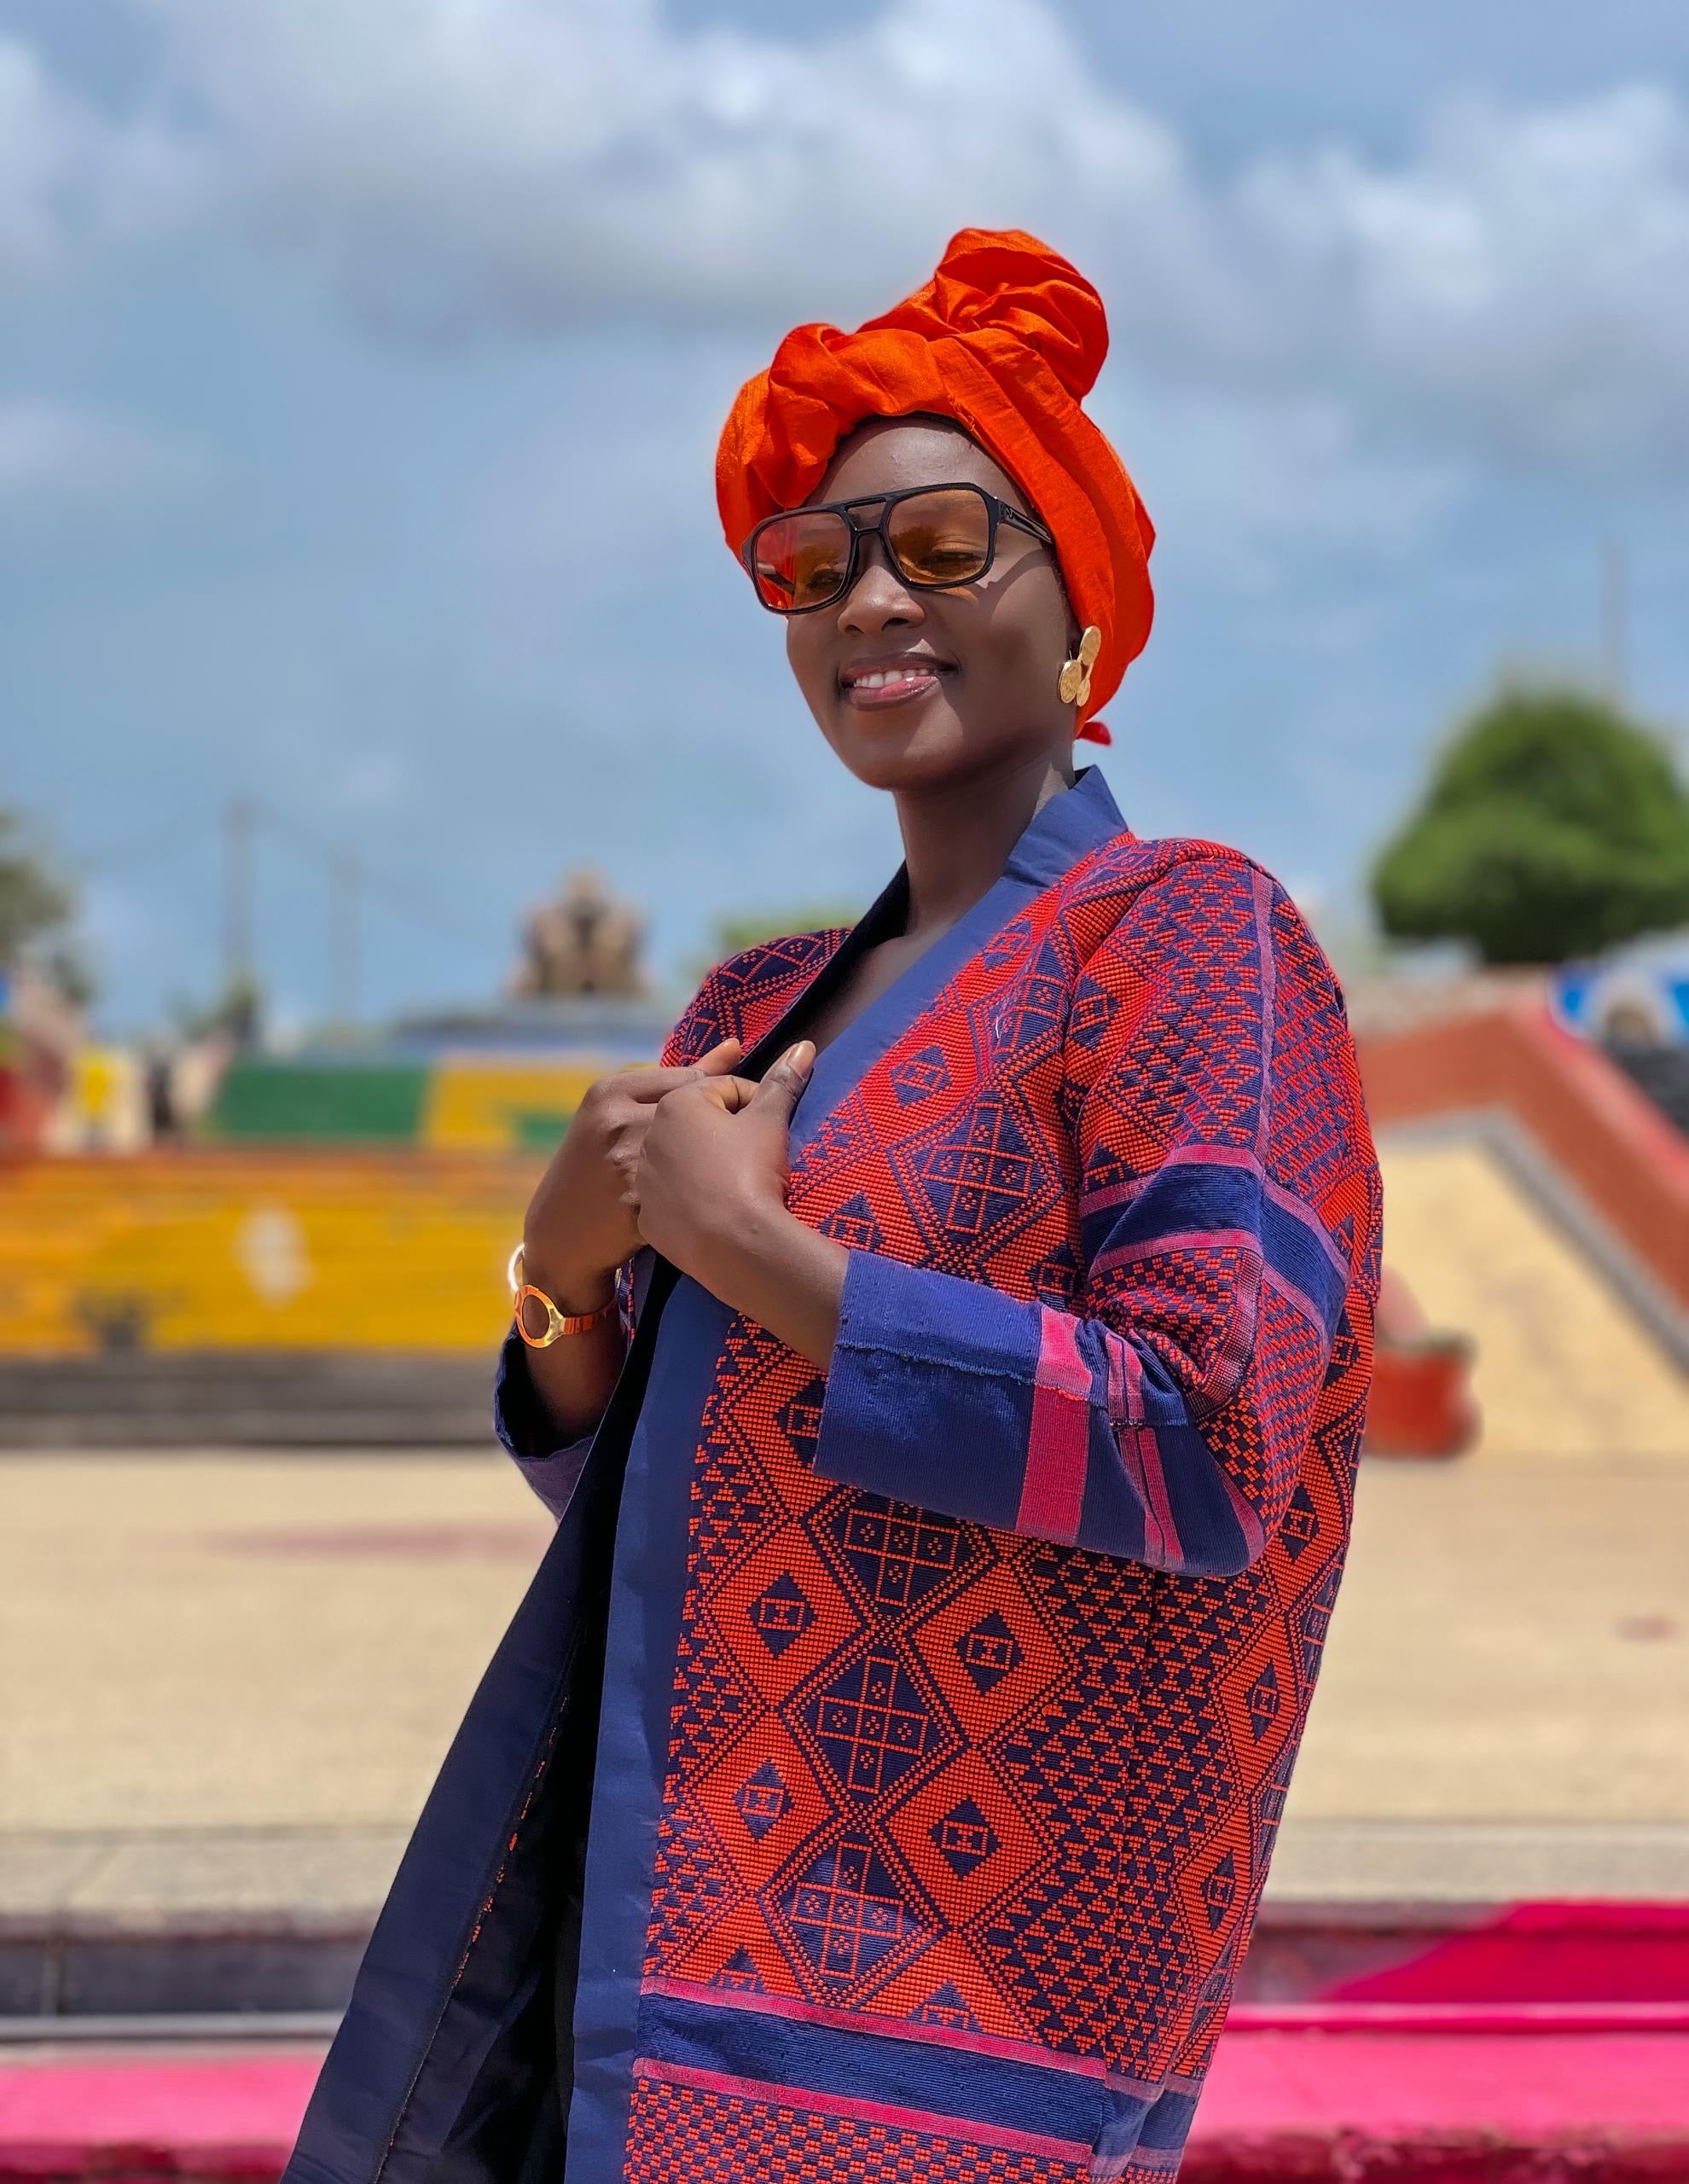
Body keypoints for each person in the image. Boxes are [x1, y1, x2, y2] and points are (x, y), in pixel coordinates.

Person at [284, 229, 1383, 2184]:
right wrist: (558, 1278)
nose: (869, 597)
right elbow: (685, 1499)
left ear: (1083, 607)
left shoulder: (1185, 934)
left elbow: (1209, 1441)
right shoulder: (750, 1008)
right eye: (811, 566)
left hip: (938, 2023)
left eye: (943, 544)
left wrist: (759, 1250)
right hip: (625, 1941)